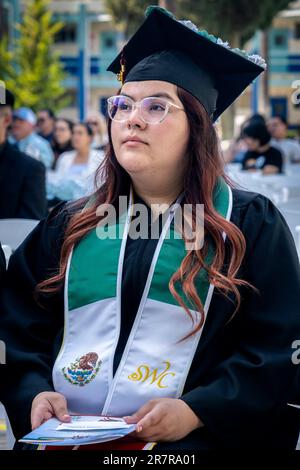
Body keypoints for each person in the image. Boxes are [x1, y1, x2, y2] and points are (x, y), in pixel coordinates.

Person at [0, 6, 300, 451]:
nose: (132, 118)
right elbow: (17, 325)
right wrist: (33, 392)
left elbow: (277, 349)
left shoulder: (248, 224)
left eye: (156, 106)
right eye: (121, 104)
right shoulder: (70, 224)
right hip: (66, 440)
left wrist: (199, 410)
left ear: (197, 127)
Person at [0, 90, 47, 219]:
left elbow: (29, 229)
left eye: (22, 121)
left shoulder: (30, 169)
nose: (18, 124)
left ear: (6, 120)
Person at [47, 122, 104, 202]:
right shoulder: (64, 157)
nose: (75, 137)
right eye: (73, 133)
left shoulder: (100, 158)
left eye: (80, 133)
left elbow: (102, 187)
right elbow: (58, 185)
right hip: (65, 206)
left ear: (90, 138)